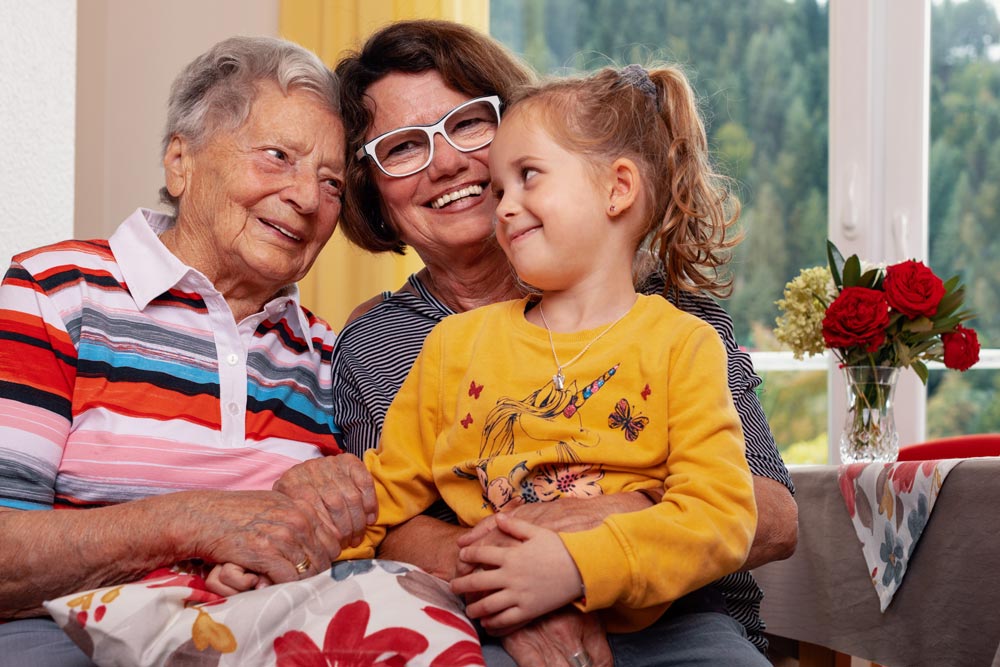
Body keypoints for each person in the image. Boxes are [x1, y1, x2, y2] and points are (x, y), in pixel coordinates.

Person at [292, 18, 797, 667]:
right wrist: (293, 545)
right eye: (403, 146)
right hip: (485, 625)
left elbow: (767, 514)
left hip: (685, 621)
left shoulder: (674, 324)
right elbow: (383, 508)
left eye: (468, 123)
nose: (446, 162)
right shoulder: (414, 344)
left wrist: (595, 539)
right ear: (374, 192)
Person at [0, 36, 376, 666]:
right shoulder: (55, 292)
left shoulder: (326, 351)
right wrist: (194, 522)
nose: (308, 200)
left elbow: (346, 541)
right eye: (278, 157)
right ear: (181, 161)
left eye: (331, 183)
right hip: (66, 641)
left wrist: (335, 513)